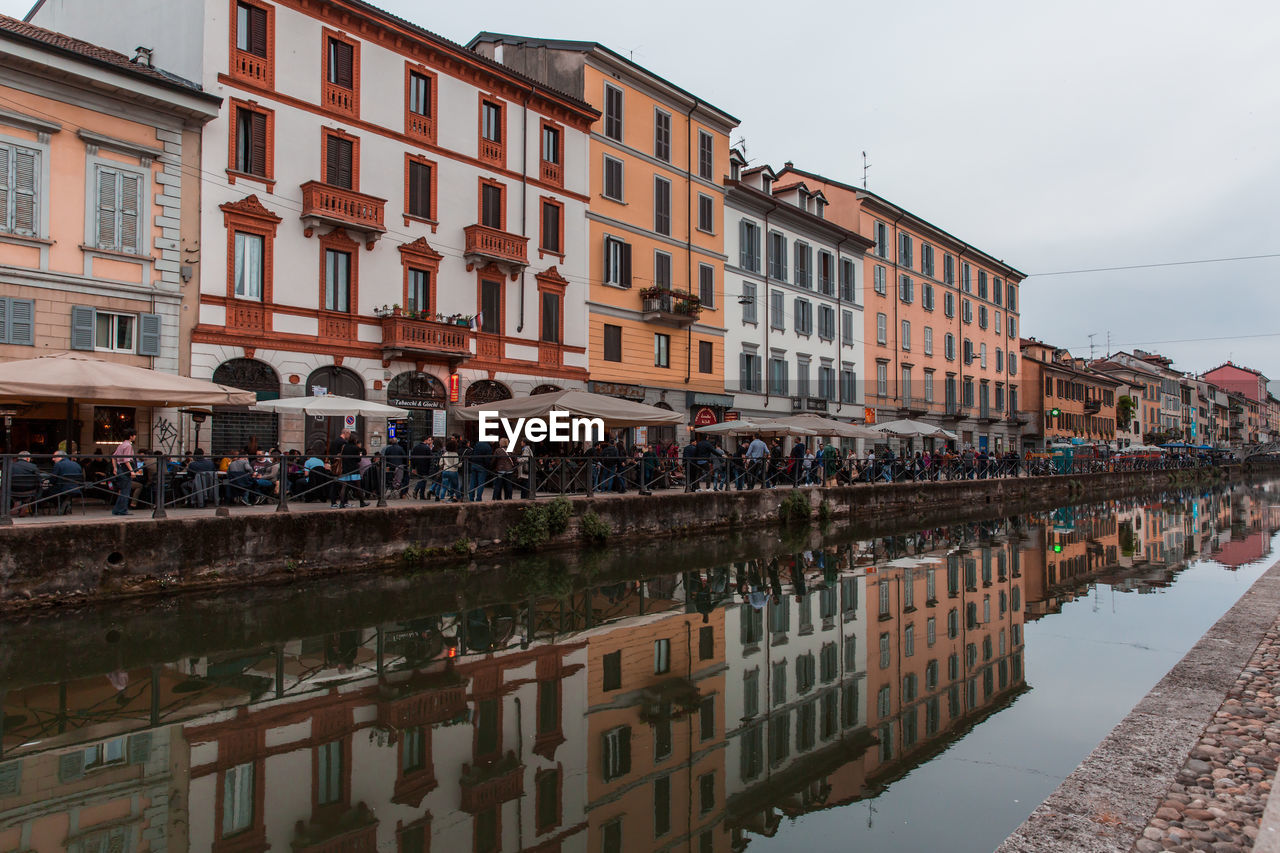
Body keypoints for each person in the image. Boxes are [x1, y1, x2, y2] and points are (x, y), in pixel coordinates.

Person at [111, 430, 141, 516]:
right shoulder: (128, 446)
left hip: (120, 468)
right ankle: (122, 510)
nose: (135, 437)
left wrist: (115, 468)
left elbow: (114, 457)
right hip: (125, 469)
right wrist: (132, 471)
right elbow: (127, 460)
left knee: (123, 490)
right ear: (131, 436)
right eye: (134, 435)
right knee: (126, 491)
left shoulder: (121, 445)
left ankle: (117, 509)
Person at [48, 449, 84, 515]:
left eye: (54, 457)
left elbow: (52, 480)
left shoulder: (58, 465)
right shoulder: (76, 464)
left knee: (46, 493)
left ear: (60, 456)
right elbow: (81, 479)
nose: (53, 459)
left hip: (61, 490)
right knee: (62, 491)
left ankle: (61, 506)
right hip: (76, 489)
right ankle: (65, 503)